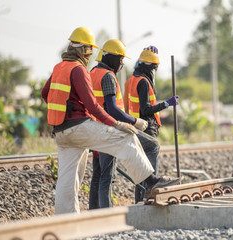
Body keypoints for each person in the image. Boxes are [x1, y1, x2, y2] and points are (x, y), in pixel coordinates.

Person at [41, 27, 180, 214]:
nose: (91, 54)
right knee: (124, 137)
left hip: (60, 131)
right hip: (78, 127)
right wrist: (117, 124)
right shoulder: (79, 69)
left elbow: (45, 93)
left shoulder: (59, 68)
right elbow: (92, 107)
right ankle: (150, 181)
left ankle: (67, 221)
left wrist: (63, 111)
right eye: (90, 49)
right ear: (84, 50)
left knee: (68, 178)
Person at [88, 39, 161, 208]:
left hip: (95, 129)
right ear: (112, 57)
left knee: (98, 174)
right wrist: (134, 122)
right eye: (120, 59)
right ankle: (150, 188)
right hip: (109, 128)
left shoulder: (92, 72)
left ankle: (94, 212)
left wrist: (146, 54)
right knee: (108, 175)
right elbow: (112, 108)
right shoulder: (108, 76)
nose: (121, 63)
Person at [124, 46, 179, 202]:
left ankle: (140, 199)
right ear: (150, 67)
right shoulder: (143, 82)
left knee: (142, 168)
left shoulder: (133, 78)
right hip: (146, 127)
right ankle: (149, 193)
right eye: (155, 68)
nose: (155, 71)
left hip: (138, 126)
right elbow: (146, 109)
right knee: (148, 166)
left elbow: (140, 63)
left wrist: (145, 52)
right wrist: (166, 104)